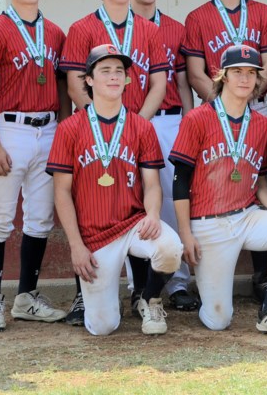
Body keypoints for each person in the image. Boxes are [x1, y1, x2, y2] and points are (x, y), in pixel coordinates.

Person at [59, 0, 170, 325]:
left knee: (136, 202)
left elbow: (158, 83)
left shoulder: (150, 29)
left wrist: (135, 124)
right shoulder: (81, 28)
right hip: (93, 128)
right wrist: (100, 117)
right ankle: (82, 295)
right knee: (92, 204)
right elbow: (75, 81)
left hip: (134, 126)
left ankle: (142, 292)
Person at [170, 46, 267, 339]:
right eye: (237, 72)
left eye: (251, 73)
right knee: (218, 320)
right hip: (208, 222)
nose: (244, 78)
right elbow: (180, 180)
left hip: (246, 216)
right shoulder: (197, 118)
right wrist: (185, 233)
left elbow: (258, 175)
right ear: (223, 76)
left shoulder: (261, 124)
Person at [47, 44, 183, 336]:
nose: (113, 77)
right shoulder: (69, 129)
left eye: (119, 71)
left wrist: (153, 214)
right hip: (94, 235)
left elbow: (152, 184)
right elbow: (61, 193)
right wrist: (76, 246)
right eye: (105, 71)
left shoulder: (141, 127)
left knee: (171, 249)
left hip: (133, 223)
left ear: (127, 80)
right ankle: (109, 301)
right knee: (102, 328)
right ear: (89, 80)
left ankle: (150, 298)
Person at [181, 0, 267, 303]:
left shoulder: (263, 13)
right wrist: (224, 105)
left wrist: (246, 96)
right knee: (218, 179)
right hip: (215, 109)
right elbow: (195, 73)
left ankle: (261, 274)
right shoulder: (197, 17)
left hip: (256, 108)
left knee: (259, 181)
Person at [0, 0, 71, 331]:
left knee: (40, 218)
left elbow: (64, 87)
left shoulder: (55, 33)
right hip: (9, 126)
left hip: (48, 127)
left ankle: (26, 297)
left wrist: (63, 128)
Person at [130, 0, 201, 313]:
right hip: (129, 120)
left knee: (174, 199)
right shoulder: (118, 26)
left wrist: (189, 118)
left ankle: (176, 282)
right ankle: (137, 282)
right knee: (131, 198)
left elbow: (184, 78)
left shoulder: (174, 26)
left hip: (171, 118)